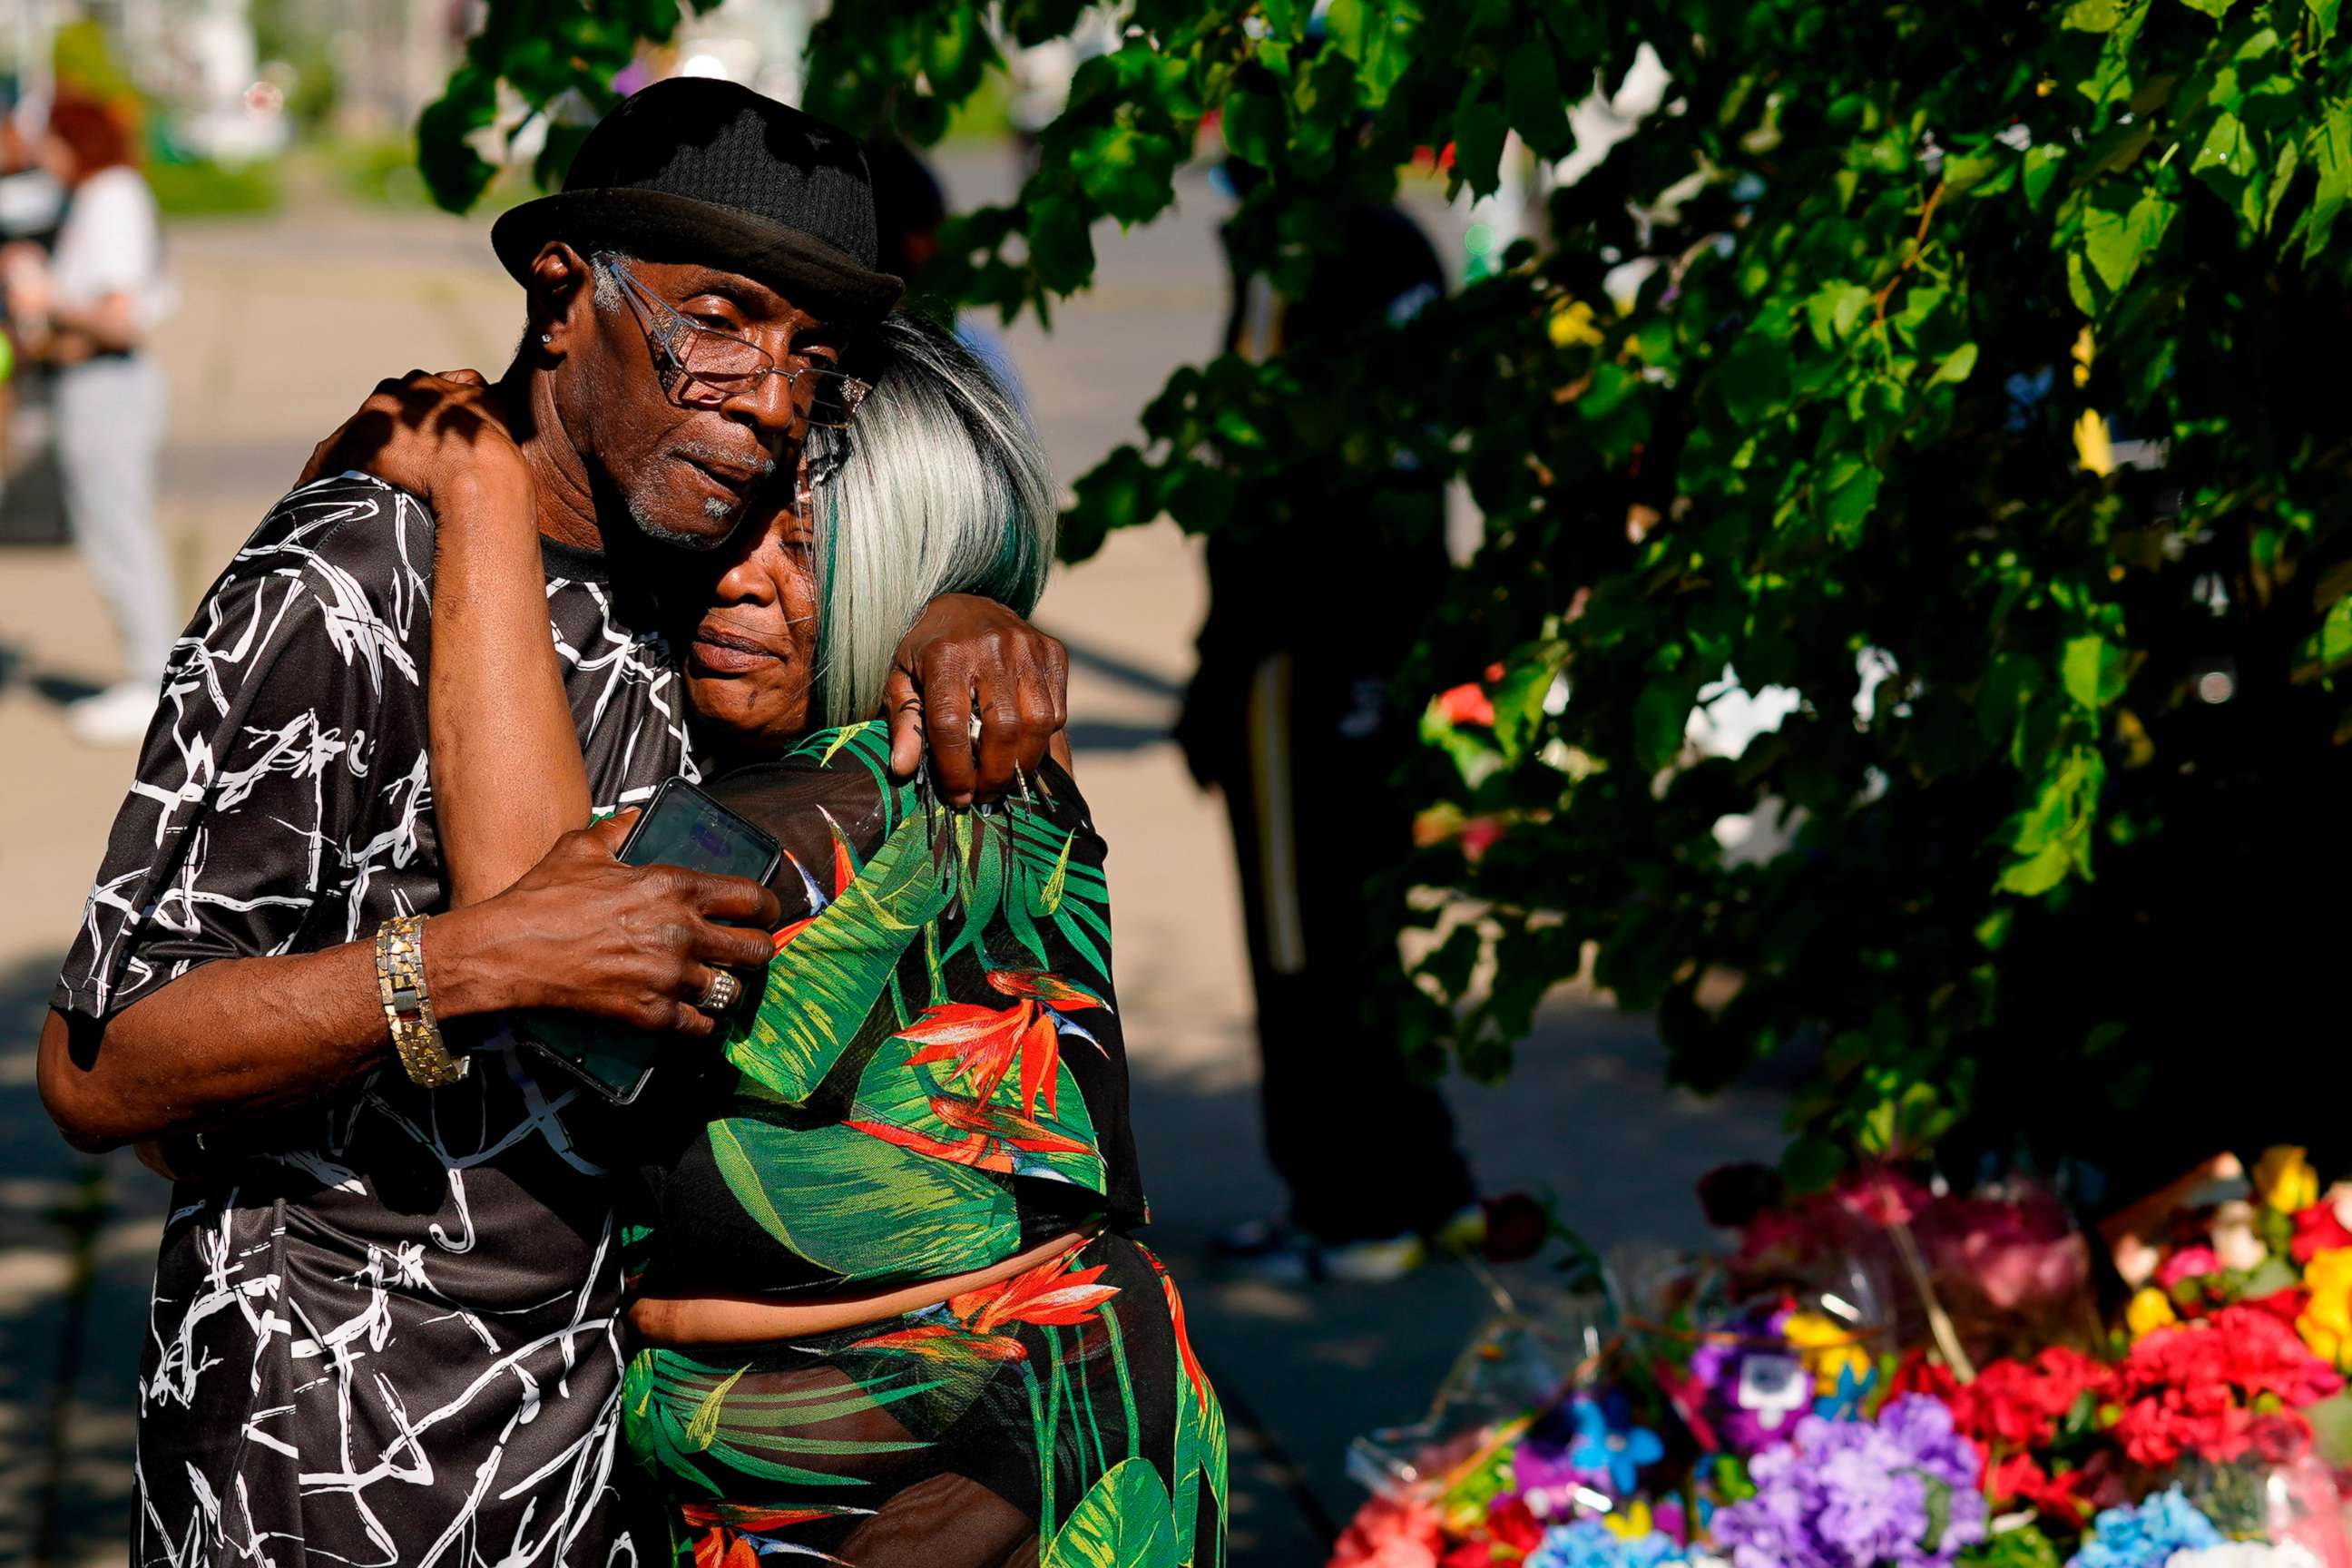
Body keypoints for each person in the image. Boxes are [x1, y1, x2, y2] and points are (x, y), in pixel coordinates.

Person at [37, 80, 1070, 1567]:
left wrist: (963, 610)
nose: (770, 398)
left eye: (809, 358)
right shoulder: (349, 580)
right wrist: (464, 964)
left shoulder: (711, 582)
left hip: (596, 1468)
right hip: (317, 1458)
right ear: (563, 290)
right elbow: (100, 1064)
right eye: (720, 318)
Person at [406, 309, 1224, 1566]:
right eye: (730, 534)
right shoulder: (990, 746)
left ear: (901, 565)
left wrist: (477, 501)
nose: (737, 584)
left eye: (804, 551)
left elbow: (533, 923)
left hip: (966, 1470)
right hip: (971, 1440)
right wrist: (960, 602)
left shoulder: (836, 808)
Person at [1180, 187, 1482, 1282]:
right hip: (1385, 641)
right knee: (1364, 925)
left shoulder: (1299, 238)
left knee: (1305, 938)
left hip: (1299, 648)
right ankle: (1423, 1176)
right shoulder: (1401, 238)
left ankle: (1350, 1206)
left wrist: (1221, 661)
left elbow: (1250, 459)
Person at [3, 94, 177, 743]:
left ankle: (151, 679)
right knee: (111, 531)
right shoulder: (97, 196)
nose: (41, 156)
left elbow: (119, 316)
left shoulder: (112, 197)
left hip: (109, 387)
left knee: (120, 535)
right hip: (92, 386)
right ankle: (149, 674)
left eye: (47, 141)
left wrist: (47, 296)